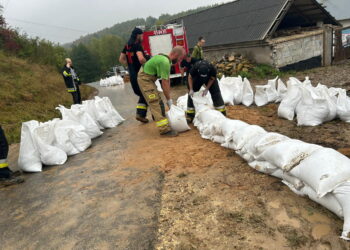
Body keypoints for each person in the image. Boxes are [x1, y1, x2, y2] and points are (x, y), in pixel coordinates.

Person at [137, 46, 184, 137]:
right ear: (175, 55)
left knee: (159, 101)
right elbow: (164, 84)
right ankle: (164, 130)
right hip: (144, 79)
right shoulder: (165, 62)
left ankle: (164, 121)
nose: (179, 61)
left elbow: (167, 80)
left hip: (149, 79)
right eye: (180, 58)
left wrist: (168, 98)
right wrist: (169, 101)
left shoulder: (166, 60)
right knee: (155, 103)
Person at [119, 27, 149, 123]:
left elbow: (121, 59)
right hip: (140, 76)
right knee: (148, 93)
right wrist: (147, 65)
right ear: (138, 35)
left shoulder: (127, 46)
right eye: (142, 35)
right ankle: (144, 114)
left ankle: (140, 115)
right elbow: (141, 59)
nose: (142, 37)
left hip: (132, 76)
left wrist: (130, 66)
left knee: (143, 94)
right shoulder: (137, 45)